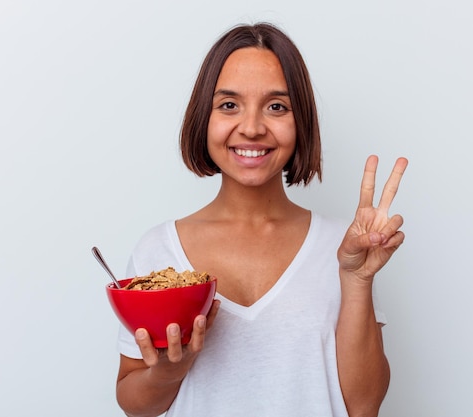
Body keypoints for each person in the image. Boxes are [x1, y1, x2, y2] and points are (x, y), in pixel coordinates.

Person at [115, 22, 408, 417]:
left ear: (300, 121)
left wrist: (357, 280)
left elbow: (363, 405)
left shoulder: (344, 248)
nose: (251, 128)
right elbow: (134, 404)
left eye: (276, 106)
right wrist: (169, 372)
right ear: (204, 117)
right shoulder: (159, 250)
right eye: (229, 105)